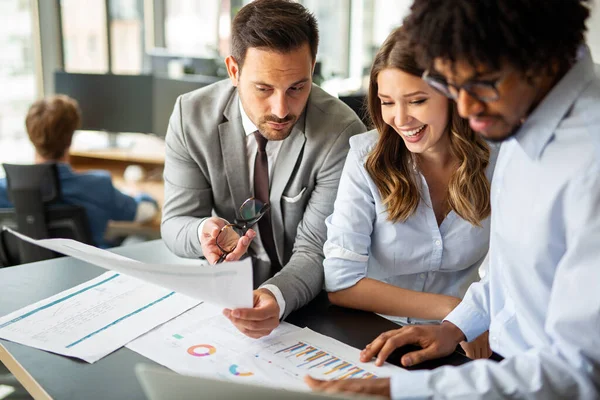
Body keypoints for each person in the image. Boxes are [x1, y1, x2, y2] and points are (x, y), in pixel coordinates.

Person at [306, 0, 600, 398]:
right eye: (452, 86)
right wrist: (458, 323)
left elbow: (577, 370)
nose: (466, 108)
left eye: (481, 84)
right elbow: (508, 269)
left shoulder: (588, 158)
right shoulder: (515, 115)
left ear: (540, 59)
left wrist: (411, 391)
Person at [160, 0, 366, 338]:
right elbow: (174, 224)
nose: (281, 109)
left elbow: (315, 249)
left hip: (307, 301)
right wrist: (203, 233)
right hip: (220, 297)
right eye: (263, 89)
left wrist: (275, 296)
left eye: (298, 87)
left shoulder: (341, 133)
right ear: (233, 70)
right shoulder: (190, 116)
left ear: (313, 68)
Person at [323, 27, 494, 359]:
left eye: (417, 100)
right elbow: (341, 281)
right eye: (387, 102)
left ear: (453, 95)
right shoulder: (364, 157)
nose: (400, 119)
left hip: (460, 340)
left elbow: (513, 264)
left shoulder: (498, 160)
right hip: (372, 332)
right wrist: (456, 310)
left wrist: (468, 320)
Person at [0, 95, 158, 249]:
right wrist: (140, 193)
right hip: (89, 271)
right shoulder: (97, 185)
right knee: (140, 238)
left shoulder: (4, 189)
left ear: (30, 135)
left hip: (29, 271)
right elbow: (145, 212)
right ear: (70, 137)